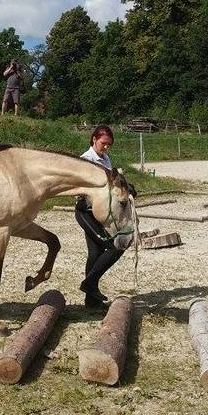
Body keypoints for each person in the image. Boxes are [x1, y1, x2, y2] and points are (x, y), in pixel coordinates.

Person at [75, 125, 125, 307]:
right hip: (86, 212)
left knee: (95, 254)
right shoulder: (86, 160)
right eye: (104, 143)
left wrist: (125, 186)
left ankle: (91, 299)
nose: (106, 147)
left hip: (100, 214)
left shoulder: (106, 159)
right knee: (116, 247)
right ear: (94, 139)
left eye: (109, 144)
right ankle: (88, 284)